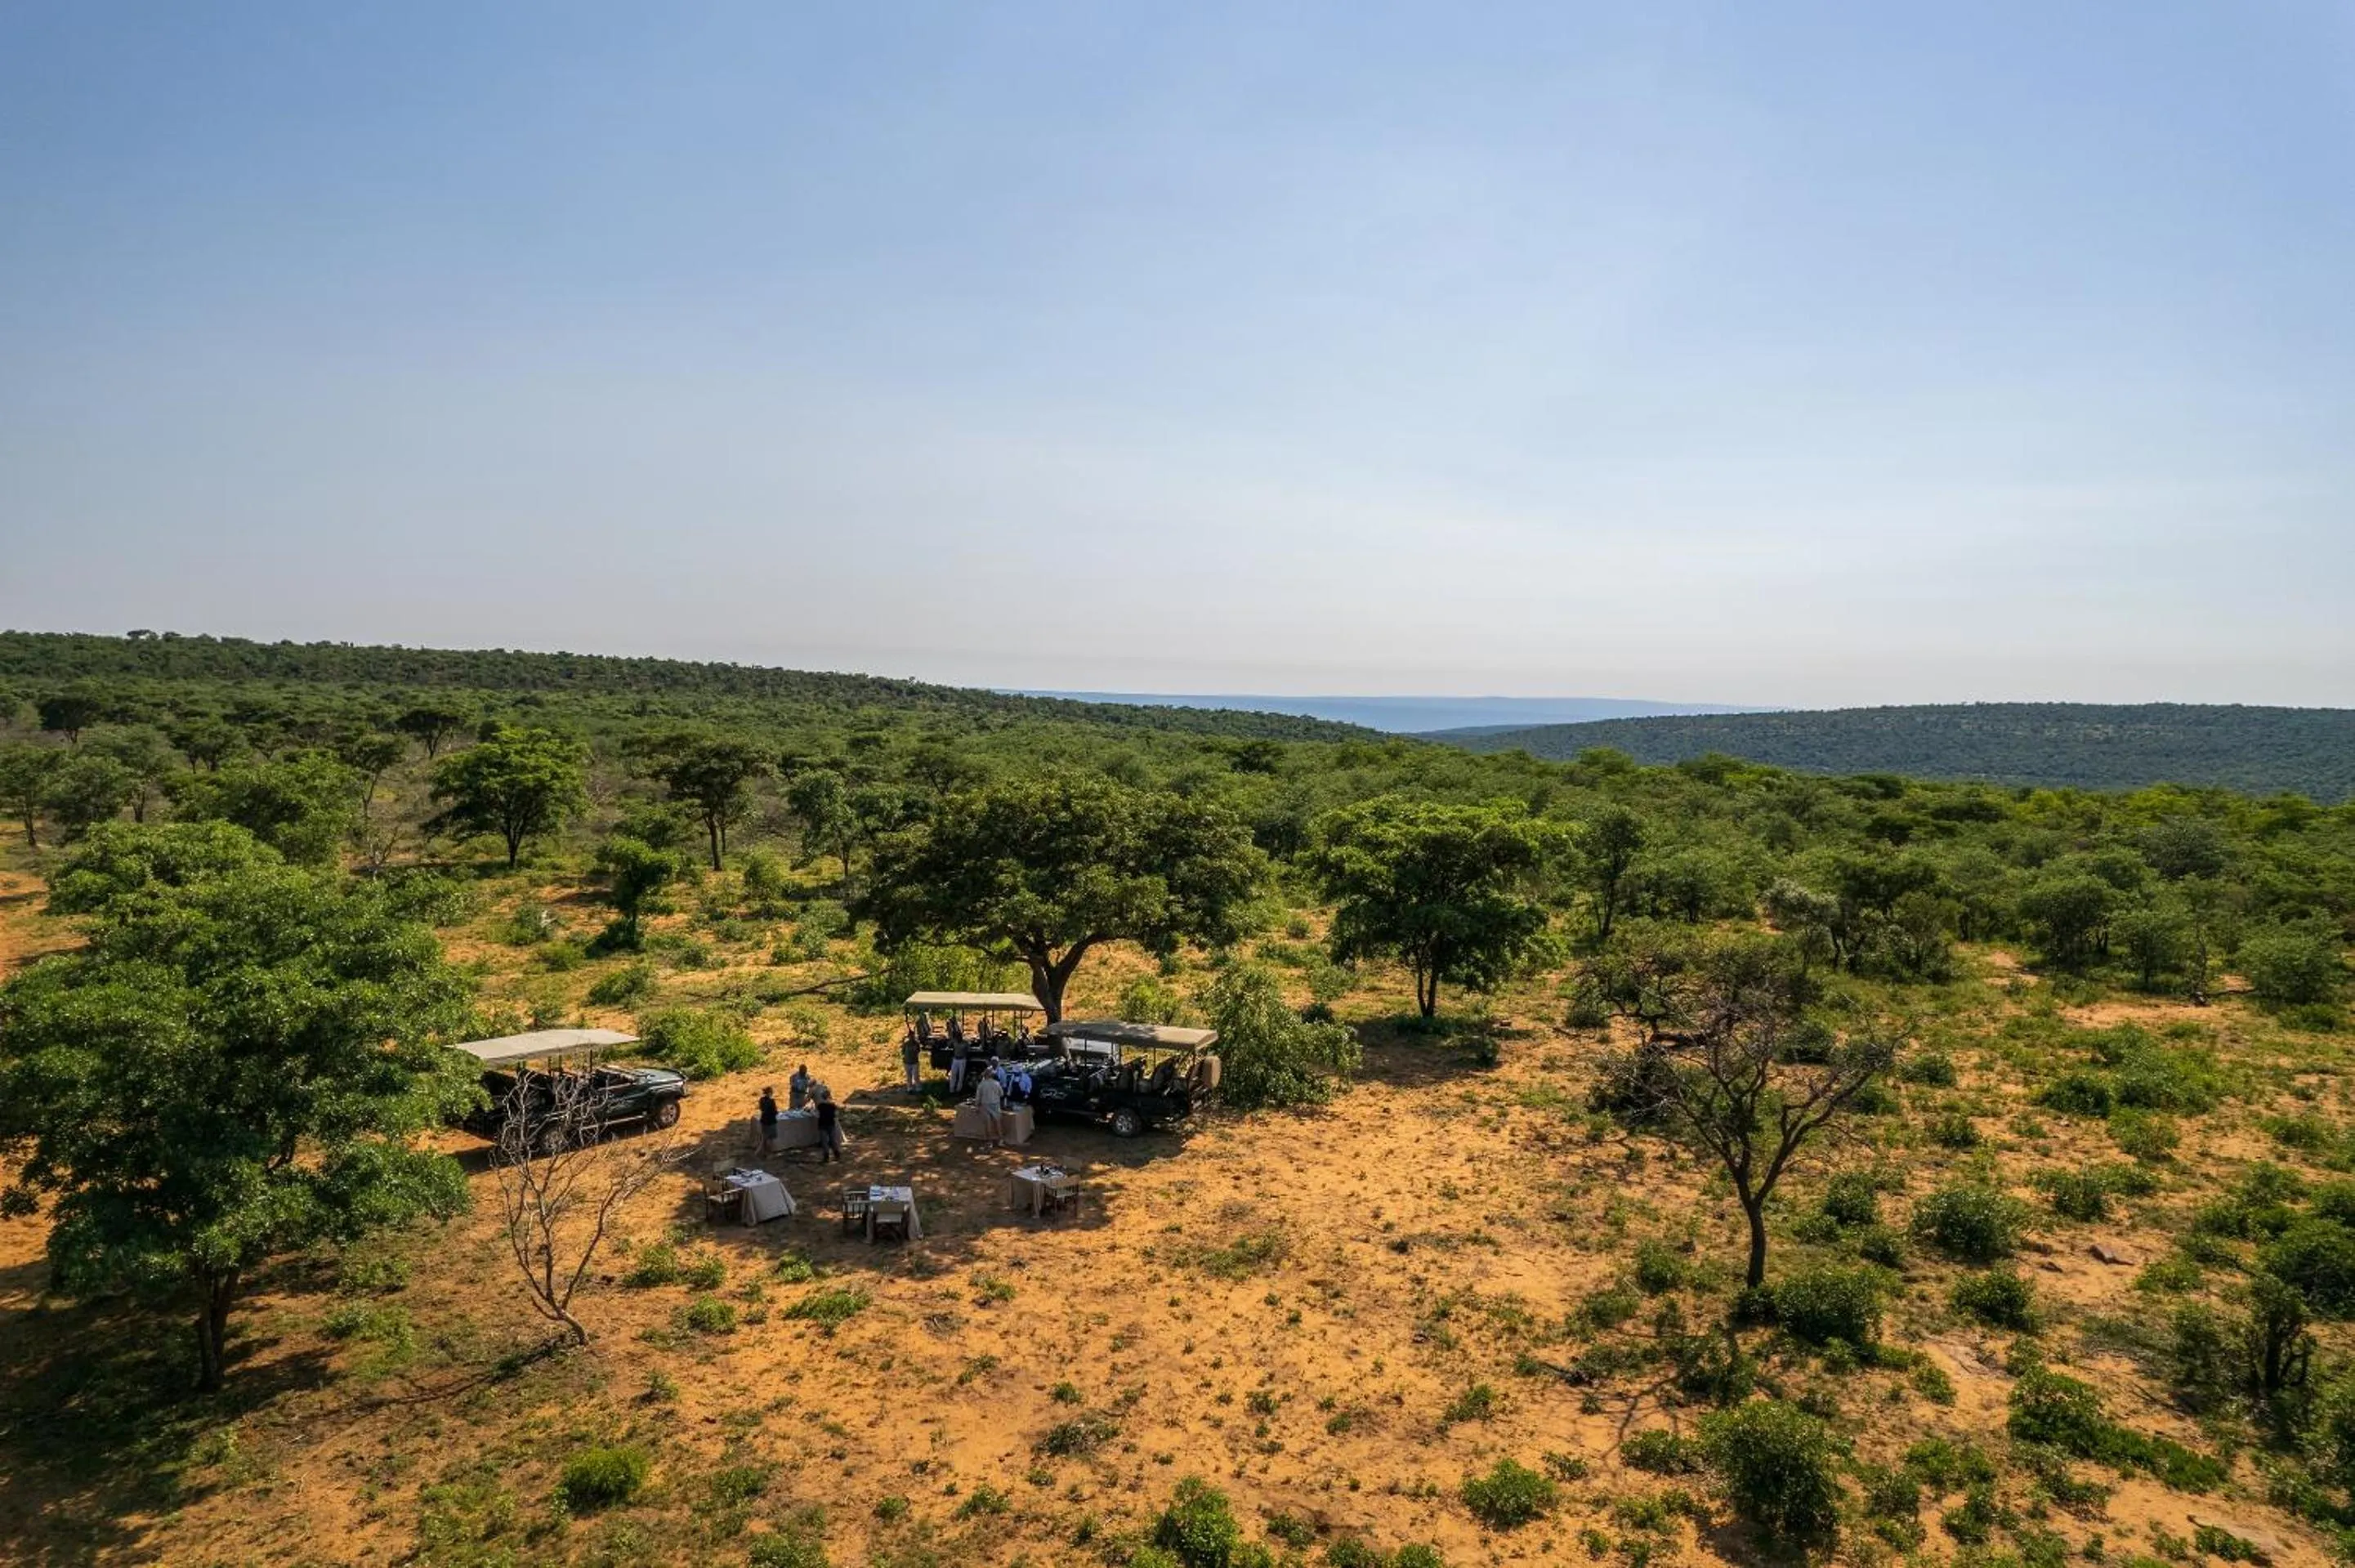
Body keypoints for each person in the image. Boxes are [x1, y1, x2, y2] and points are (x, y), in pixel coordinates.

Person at [973, 1067, 1005, 1144]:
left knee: (988, 1123)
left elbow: (978, 1097)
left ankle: (990, 1141)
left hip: (985, 1105)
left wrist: (977, 1106)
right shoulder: (996, 1083)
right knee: (997, 1122)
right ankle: (1000, 1140)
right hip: (995, 1104)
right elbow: (1001, 1094)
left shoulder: (981, 1084)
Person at [815, 1088, 842, 1162]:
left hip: (822, 1124)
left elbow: (817, 1114)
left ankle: (826, 1157)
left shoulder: (820, 1105)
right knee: (833, 1140)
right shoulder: (833, 1105)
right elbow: (836, 1114)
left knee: (824, 1141)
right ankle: (837, 1155)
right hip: (831, 1124)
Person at [757, 1086, 780, 1155]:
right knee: (771, 1138)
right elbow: (774, 1112)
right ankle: (769, 1152)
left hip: (763, 1120)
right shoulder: (772, 1101)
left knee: (764, 1137)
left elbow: (761, 1109)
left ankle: (761, 1152)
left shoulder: (761, 1100)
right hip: (771, 1121)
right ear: (769, 1093)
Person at [901, 1027, 923, 1092]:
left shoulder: (916, 1043)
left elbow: (918, 1051)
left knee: (916, 1076)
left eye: (913, 1036)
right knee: (909, 1077)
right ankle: (909, 1089)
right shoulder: (906, 1044)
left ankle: (918, 1088)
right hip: (907, 1062)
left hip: (914, 1062)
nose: (911, 1038)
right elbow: (903, 1052)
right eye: (910, 1036)